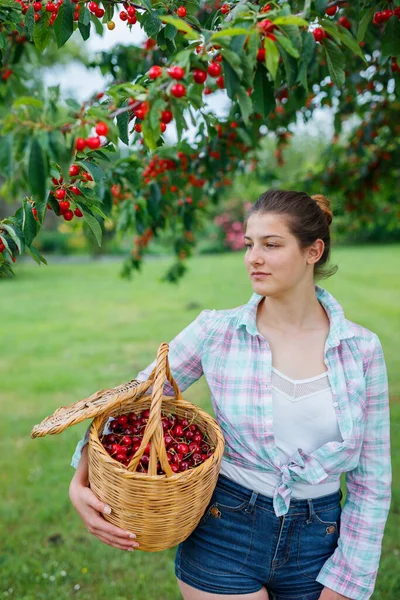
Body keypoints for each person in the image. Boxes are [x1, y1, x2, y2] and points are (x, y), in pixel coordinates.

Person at [69, 189, 392, 600]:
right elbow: (132, 400)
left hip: (319, 541)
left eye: (271, 245)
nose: (253, 258)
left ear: (314, 251)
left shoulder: (361, 350)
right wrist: (80, 479)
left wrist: (347, 580)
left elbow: (372, 481)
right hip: (225, 529)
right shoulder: (215, 332)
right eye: (249, 244)